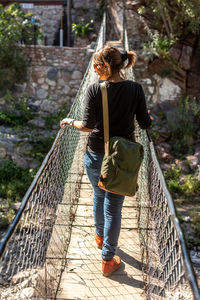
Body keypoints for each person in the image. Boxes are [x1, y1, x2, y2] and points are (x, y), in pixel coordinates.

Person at [60, 45, 152, 277]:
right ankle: (108, 260)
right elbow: (145, 123)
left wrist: (70, 121)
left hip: (95, 156)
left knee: (98, 196)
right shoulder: (135, 89)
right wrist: (144, 115)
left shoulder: (94, 89)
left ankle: (100, 237)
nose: (94, 68)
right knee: (114, 207)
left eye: (96, 64)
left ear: (106, 66)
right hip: (121, 159)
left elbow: (87, 126)